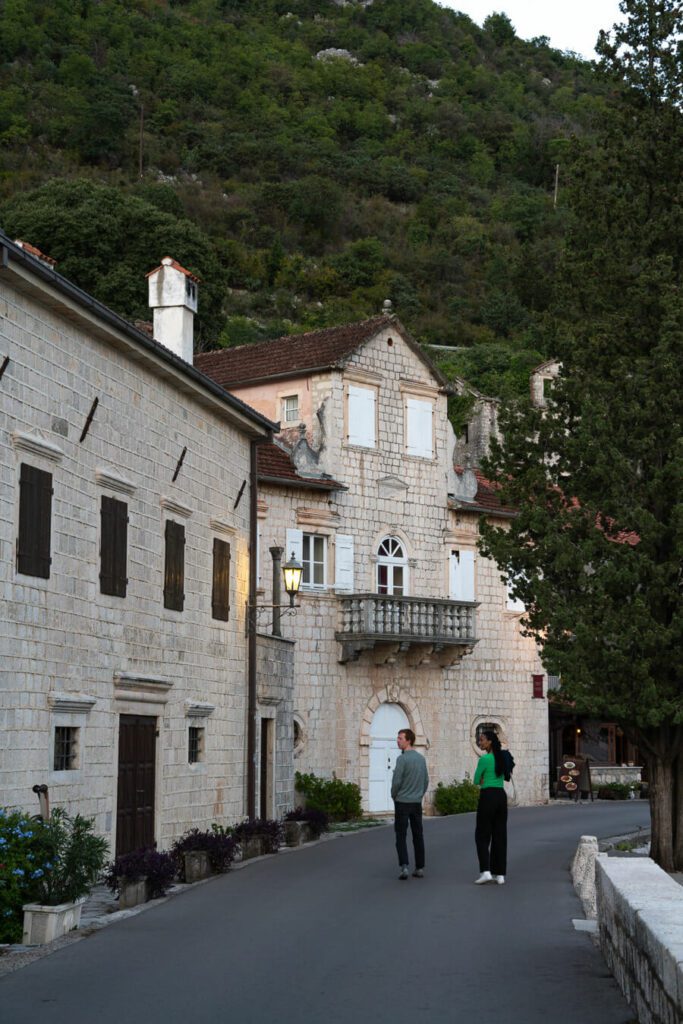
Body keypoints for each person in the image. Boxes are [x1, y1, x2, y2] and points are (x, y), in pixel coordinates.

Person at [473, 729, 510, 886]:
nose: (480, 742)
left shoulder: (485, 759)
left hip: (488, 796)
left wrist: (482, 779)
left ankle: (486, 871)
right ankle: (500, 874)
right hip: (501, 796)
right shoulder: (502, 757)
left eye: (482, 740)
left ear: (489, 741)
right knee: (500, 834)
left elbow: (476, 780)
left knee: (482, 834)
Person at [391, 728, 429, 881]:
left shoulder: (402, 759)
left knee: (401, 835)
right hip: (416, 802)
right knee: (418, 835)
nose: (398, 741)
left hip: (402, 802)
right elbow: (426, 781)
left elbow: (396, 782)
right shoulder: (421, 759)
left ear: (408, 740)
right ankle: (419, 867)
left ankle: (404, 866)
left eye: (400, 738)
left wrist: (394, 795)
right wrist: (419, 794)